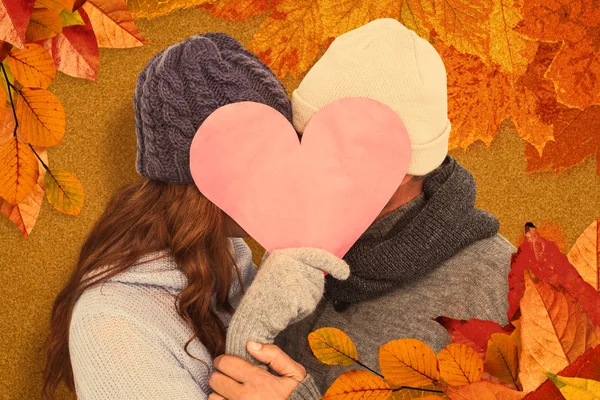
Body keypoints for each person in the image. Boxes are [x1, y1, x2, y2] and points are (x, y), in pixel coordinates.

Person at [209, 19, 514, 399]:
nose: (309, 164)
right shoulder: (296, 235)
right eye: (304, 137)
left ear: (403, 166)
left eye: (335, 149)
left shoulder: (499, 289)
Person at [41, 33, 297, 400]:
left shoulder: (230, 257)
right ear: (207, 178)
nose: (289, 177)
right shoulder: (113, 325)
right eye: (268, 158)